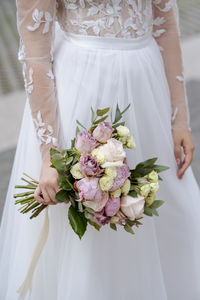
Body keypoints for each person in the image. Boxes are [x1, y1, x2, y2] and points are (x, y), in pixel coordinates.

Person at [0, 0, 200, 299]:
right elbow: (36, 54)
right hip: (83, 93)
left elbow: (167, 25)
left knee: (167, 212)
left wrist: (179, 119)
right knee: (91, 234)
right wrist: (49, 155)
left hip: (148, 95)